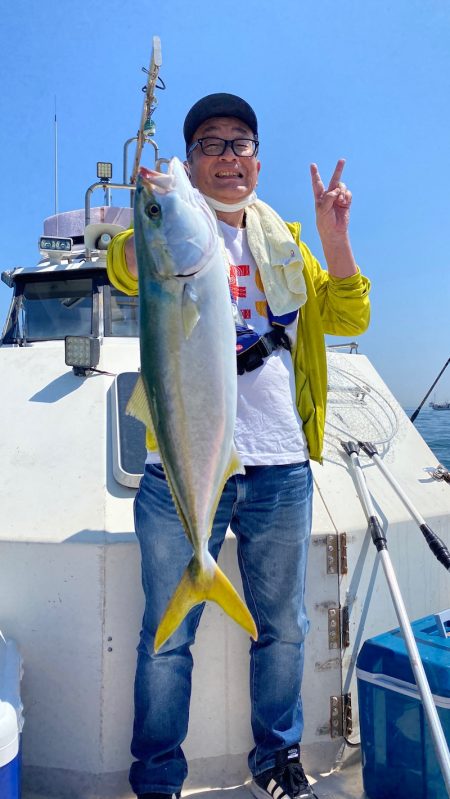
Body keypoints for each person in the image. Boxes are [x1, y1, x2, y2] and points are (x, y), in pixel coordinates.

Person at [107, 93, 370, 799]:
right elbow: (125, 266)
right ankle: (156, 777)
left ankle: (277, 760)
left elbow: (349, 313)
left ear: (258, 159)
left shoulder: (285, 238)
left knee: (281, 627)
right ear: (189, 163)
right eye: (211, 145)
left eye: (240, 143)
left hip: (280, 462)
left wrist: (332, 234)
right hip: (182, 472)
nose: (228, 156)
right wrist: (145, 206)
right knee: (166, 639)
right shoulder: (169, 234)